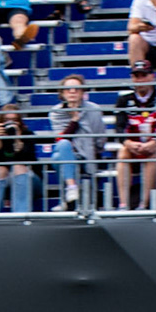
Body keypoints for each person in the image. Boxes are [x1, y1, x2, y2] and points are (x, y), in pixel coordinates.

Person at [46, 74, 106, 210]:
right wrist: (74, 120)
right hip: (67, 152)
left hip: (88, 153)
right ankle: (72, 188)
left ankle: (68, 201)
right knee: (63, 145)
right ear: (62, 93)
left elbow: (100, 139)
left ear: (83, 92)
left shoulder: (94, 110)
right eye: (68, 89)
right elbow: (61, 138)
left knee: (57, 158)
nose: (72, 92)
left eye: (76, 89)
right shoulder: (56, 112)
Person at [114, 60, 156, 209]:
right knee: (122, 152)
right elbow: (119, 127)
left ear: (152, 77)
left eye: (144, 75)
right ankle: (124, 203)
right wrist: (128, 143)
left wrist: (154, 142)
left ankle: (144, 204)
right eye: (136, 76)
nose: (140, 80)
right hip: (133, 146)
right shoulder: (124, 100)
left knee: (152, 154)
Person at [0, 105, 37, 211]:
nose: (10, 123)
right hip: (5, 179)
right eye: (7, 120)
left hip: (30, 180)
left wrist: (17, 139)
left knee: (18, 167)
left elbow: (27, 158)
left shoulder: (28, 135)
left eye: (14, 120)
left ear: (20, 121)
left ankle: (21, 215)